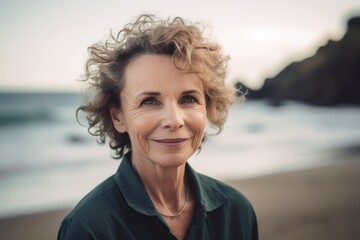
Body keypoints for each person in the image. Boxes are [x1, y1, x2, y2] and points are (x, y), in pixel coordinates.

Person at [57, 14, 258, 240]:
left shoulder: (236, 212)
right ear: (118, 117)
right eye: (149, 101)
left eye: (189, 99)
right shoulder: (89, 228)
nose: (174, 120)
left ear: (208, 106)